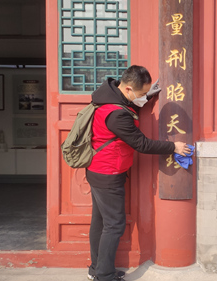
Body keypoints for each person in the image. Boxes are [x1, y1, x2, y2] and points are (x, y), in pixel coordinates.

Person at [85, 65, 191, 281]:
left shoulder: (108, 98)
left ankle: (97, 269)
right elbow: (141, 144)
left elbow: (131, 106)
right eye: (141, 93)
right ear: (128, 89)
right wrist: (174, 147)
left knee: (100, 222)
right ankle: (104, 276)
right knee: (114, 224)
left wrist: (148, 95)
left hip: (97, 170)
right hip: (108, 173)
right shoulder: (116, 115)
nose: (142, 98)